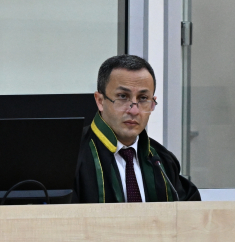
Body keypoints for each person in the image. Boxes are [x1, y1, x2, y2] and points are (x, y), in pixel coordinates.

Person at [76, 54, 200, 203]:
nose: (134, 110)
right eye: (123, 96)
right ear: (100, 101)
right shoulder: (71, 157)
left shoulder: (162, 161)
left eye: (143, 98)